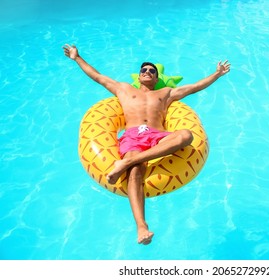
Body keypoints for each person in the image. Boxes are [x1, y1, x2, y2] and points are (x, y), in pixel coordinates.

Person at [63, 44, 230, 245]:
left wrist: (217, 74)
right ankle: (141, 226)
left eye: (152, 71)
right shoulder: (124, 89)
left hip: (158, 135)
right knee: (135, 172)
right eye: (144, 70)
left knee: (186, 135)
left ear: (157, 79)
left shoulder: (165, 93)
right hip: (133, 136)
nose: (148, 72)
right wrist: (76, 57)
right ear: (139, 75)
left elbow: (195, 87)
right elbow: (98, 77)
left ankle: (124, 164)